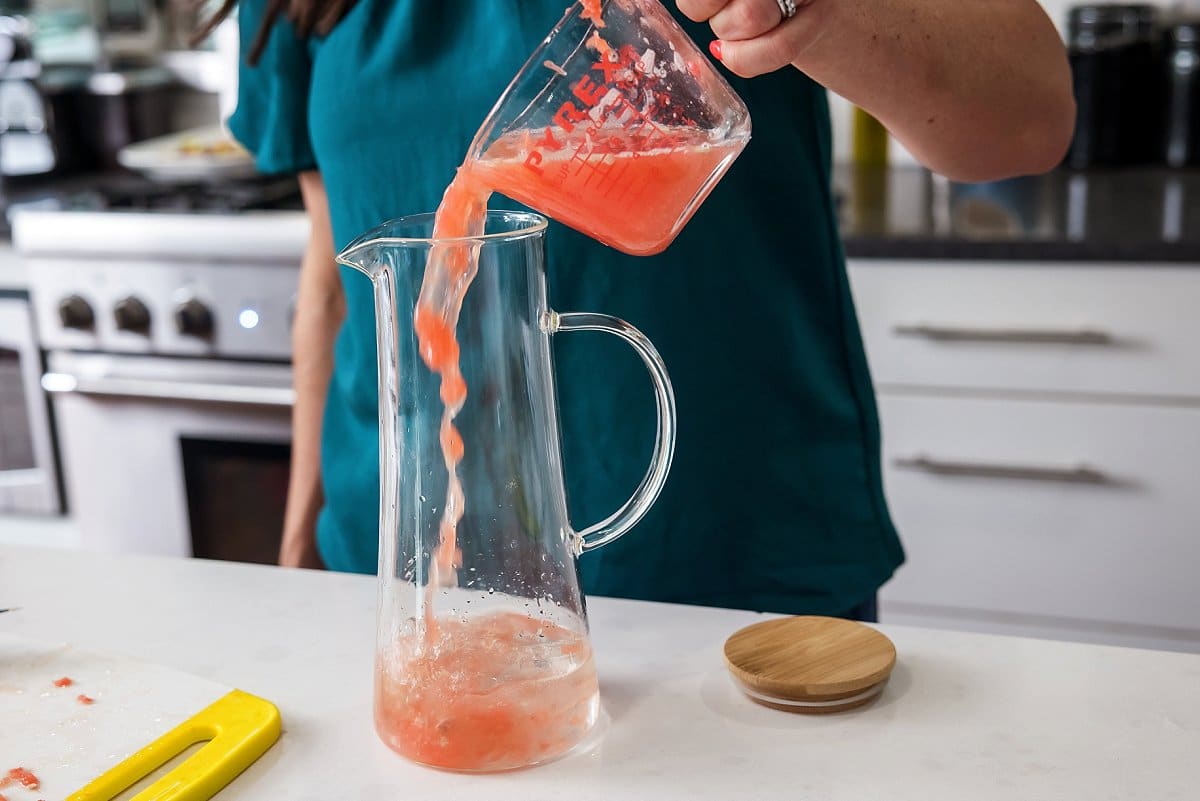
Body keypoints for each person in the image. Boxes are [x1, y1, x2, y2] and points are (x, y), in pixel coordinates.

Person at [216, 0, 1073, 621]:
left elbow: (1028, 120)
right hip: (407, 587)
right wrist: (301, 545)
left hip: (731, 581)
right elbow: (332, 274)